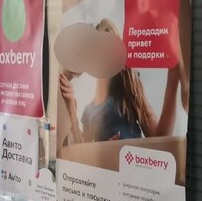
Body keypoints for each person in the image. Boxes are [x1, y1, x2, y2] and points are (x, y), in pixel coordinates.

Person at [56, 18, 184, 148]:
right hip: (106, 160)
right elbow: (82, 152)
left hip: (133, 159)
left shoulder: (128, 90)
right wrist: (71, 109)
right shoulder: (88, 111)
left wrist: (172, 82)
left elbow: (160, 136)